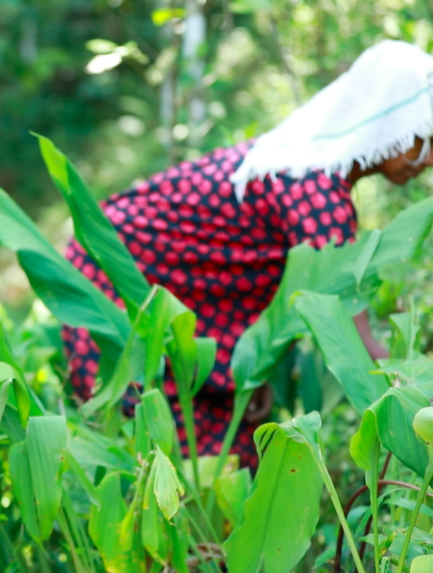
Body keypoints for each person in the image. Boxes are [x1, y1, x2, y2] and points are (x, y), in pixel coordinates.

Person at [62, 40, 433, 469]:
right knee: (144, 451)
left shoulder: (301, 161)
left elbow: (244, 262)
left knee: (229, 458)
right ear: (389, 124)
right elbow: (352, 339)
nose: (427, 160)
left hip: (181, 290)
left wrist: (250, 367)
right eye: (423, 137)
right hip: (113, 271)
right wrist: (416, 391)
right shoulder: (315, 190)